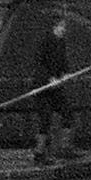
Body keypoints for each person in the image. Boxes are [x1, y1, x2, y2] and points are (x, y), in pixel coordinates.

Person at [32, 14, 75, 165]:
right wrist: (49, 79)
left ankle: (65, 148)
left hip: (56, 87)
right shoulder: (44, 41)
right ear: (54, 27)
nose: (64, 30)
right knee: (45, 119)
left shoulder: (61, 42)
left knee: (67, 113)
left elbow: (63, 61)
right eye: (62, 27)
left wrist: (66, 74)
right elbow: (39, 64)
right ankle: (39, 152)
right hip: (42, 87)